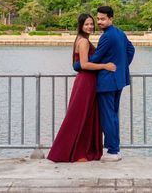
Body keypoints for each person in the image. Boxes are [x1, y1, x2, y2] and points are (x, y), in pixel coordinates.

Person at [47, 14, 116, 163]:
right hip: (86, 81)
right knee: (80, 116)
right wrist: (105, 66)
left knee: (86, 116)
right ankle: (76, 152)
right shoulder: (83, 41)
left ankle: (81, 151)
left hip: (87, 81)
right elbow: (84, 65)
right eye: (87, 24)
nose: (90, 26)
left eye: (91, 24)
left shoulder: (81, 39)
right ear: (80, 26)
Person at [74, 5, 134, 162]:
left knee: (108, 116)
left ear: (111, 19)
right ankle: (114, 149)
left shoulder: (106, 37)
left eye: (102, 19)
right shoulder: (120, 33)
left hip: (107, 82)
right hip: (118, 80)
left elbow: (95, 59)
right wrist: (121, 67)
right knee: (113, 115)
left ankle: (113, 151)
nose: (99, 22)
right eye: (98, 19)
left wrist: (78, 65)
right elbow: (131, 50)